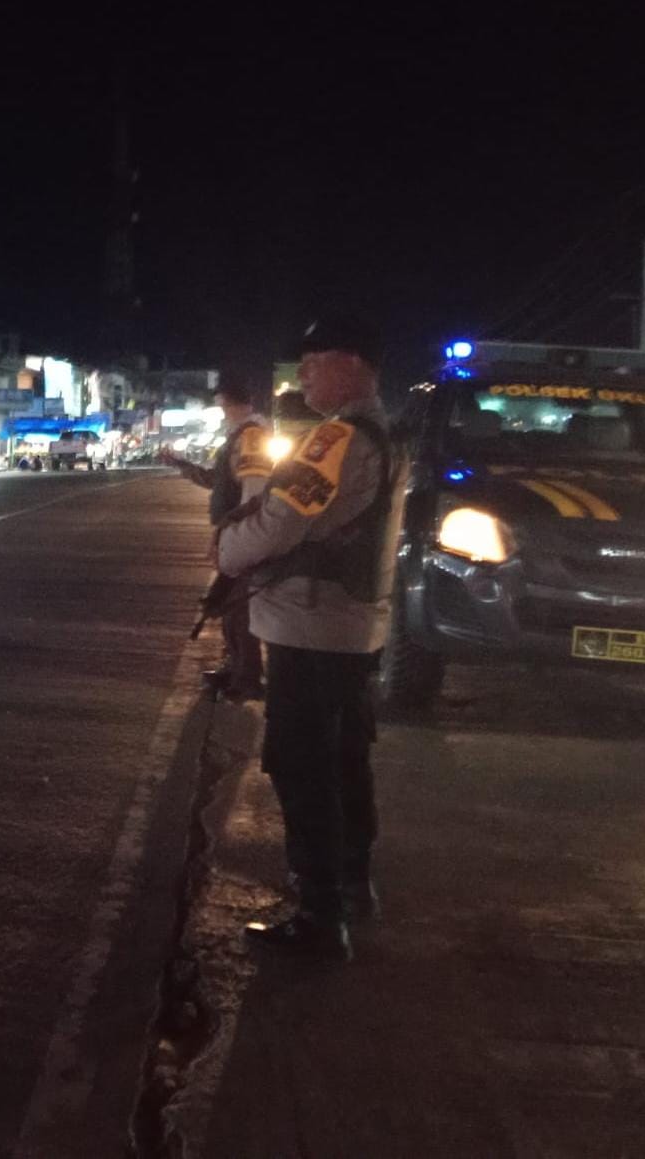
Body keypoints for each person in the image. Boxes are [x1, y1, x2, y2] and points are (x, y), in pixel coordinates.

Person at [215, 315, 406, 961]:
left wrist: (226, 551)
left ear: (351, 362)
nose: (302, 376)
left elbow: (278, 524)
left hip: (312, 623)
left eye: (313, 361)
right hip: (348, 625)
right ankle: (351, 884)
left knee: (302, 764)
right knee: (345, 757)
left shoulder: (336, 439)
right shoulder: (384, 433)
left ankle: (320, 916)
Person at [159, 382, 272, 698]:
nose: (221, 413)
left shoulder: (252, 437)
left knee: (238, 608)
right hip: (235, 534)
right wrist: (182, 465)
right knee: (228, 605)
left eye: (222, 406)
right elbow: (219, 481)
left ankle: (246, 678)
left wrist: (231, 530)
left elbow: (254, 493)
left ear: (235, 403)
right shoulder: (240, 436)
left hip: (242, 535)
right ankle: (236, 669)